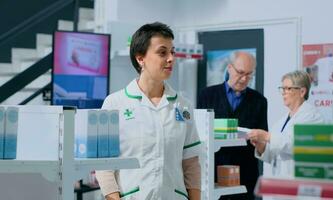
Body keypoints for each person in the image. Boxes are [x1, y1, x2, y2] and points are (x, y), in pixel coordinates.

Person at [96, 22, 201, 200]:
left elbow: (190, 163)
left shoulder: (183, 106)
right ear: (140, 58)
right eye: (162, 52)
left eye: (172, 52)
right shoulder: (115, 103)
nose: (171, 58)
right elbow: (104, 165)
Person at [197, 51, 268, 200]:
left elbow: (263, 140)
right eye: (240, 73)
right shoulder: (207, 95)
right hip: (213, 175)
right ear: (229, 68)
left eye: (249, 74)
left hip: (245, 177)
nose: (244, 79)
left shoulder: (259, 101)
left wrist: (261, 142)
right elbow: (198, 136)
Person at [248, 70, 324, 178]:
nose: (283, 92)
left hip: (301, 179)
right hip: (281, 181)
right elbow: (274, 154)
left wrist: (266, 136)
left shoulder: (312, 116)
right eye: (282, 88)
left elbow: (297, 145)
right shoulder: (282, 121)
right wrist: (261, 146)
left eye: (288, 88)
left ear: (302, 92)